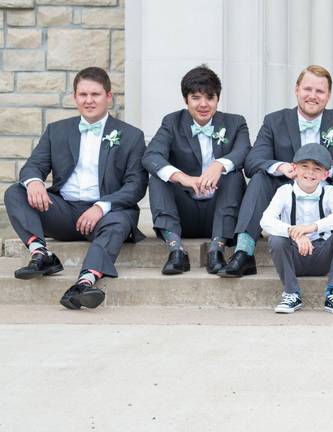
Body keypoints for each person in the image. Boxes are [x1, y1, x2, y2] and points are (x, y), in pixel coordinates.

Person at [5, 67, 147, 309]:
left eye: (95, 94)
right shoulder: (57, 131)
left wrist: (101, 207)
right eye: (83, 95)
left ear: (109, 97)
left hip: (105, 215)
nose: (89, 101)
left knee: (120, 222)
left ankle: (85, 282)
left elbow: (136, 185)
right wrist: (35, 182)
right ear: (75, 97)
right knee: (15, 192)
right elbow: (32, 166)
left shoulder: (131, 136)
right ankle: (41, 255)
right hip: (63, 211)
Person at [222, 65, 333, 280]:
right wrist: (281, 167)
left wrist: (321, 171)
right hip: (288, 189)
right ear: (296, 89)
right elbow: (252, 161)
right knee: (259, 177)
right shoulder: (274, 121)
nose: (312, 96)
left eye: (320, 91)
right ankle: (244, 251)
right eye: (307, 89)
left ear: (329, 95)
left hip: (327, 188)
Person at [142, 66, 250, 274]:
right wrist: (183, 178)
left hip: (220, 213)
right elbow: (151, 156)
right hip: (184, 214)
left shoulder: (236, 122)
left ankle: (216, 251)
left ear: (218, 99)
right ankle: (176, 251)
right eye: (196, 97)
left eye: (210, 97)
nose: (203, 104)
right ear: (186, 100)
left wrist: (219, 165)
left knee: (233, 173)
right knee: (159, 175)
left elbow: (244, 151)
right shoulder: (172, 122)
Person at [261, 144, 333, 315]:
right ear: (294, 168)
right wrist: (295, 233)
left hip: (322, 258)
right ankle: (291, 293)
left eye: (317, 169)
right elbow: (265, 220)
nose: (310, 173)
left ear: (325, 174)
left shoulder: (330, 192)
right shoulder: (284, 191)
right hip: (294, 258)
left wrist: (311, 227)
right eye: (305, 167)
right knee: (276, 238)